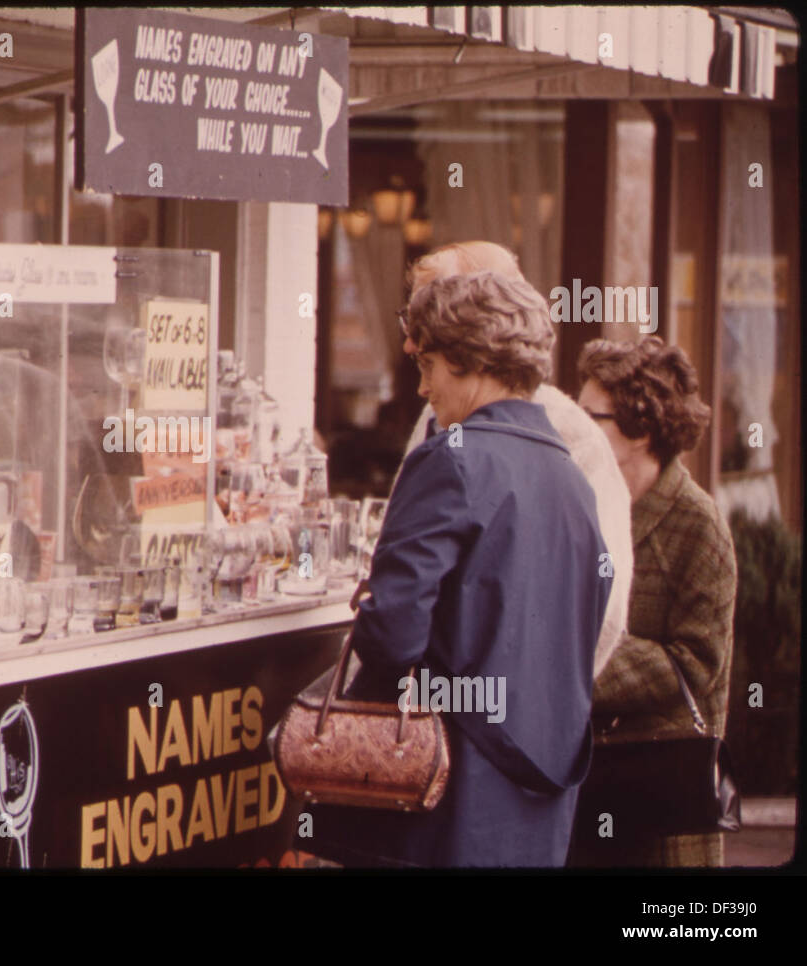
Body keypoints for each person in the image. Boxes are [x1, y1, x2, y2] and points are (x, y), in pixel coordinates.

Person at [309, 270, 611, 868]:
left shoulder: (451, 461)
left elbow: (392, 631)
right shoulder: (573, 479)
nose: (421, 388)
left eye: (427, 366)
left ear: (472, 361)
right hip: (542, 797)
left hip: (444, 793)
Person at [395, 241, 633, 677]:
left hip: (486, 722)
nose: (410, 342)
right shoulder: (434, 415)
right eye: (408, 317)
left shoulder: (573, 435)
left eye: (427, 315)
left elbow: (605, 605)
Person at [571, 336, 736, 867]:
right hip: (585, 784)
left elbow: (694, 665)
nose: (573, 429)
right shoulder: (583, 505)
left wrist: (575, 661)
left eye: (589, 416)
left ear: (640, 431)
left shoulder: (698, 523)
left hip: (660, 800)